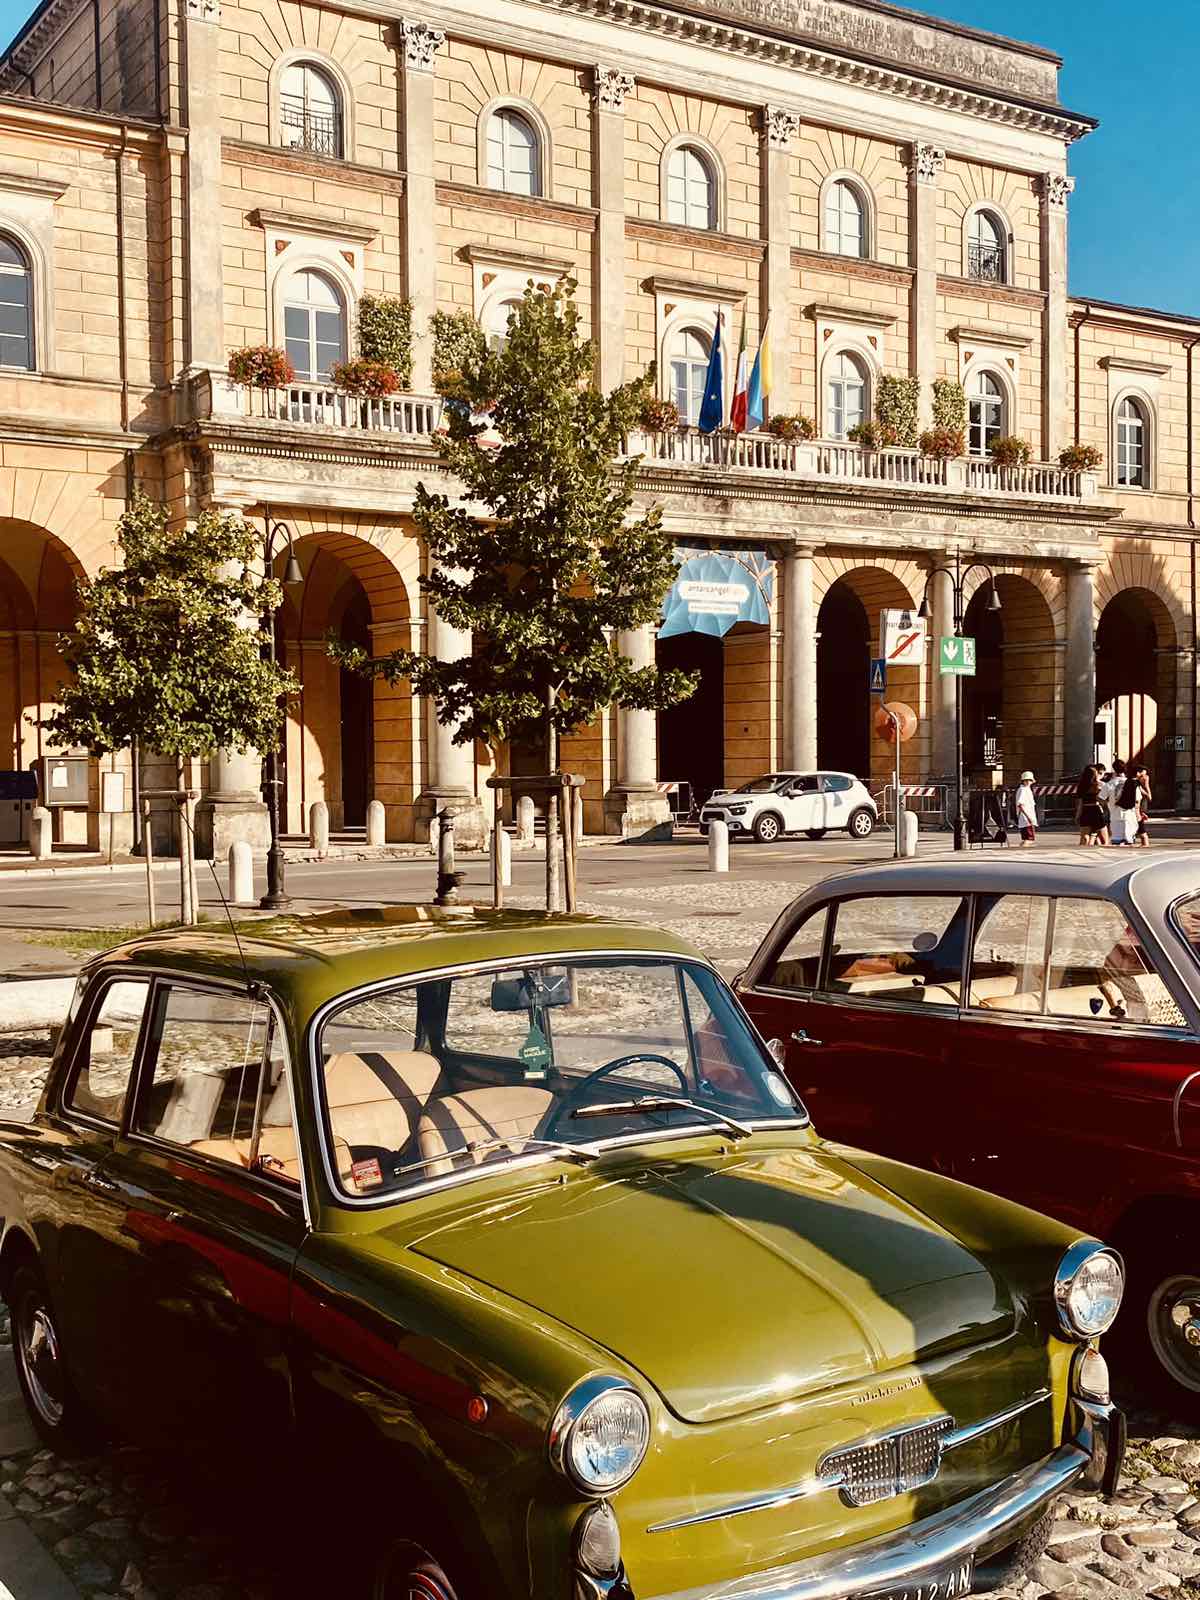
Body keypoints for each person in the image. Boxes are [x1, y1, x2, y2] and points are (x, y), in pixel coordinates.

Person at [1075, 764, 1107, 846]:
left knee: (1085, 837)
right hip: (1096, 810)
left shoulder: (1081, 786)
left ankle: (1083, 849)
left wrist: (1078, 815)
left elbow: (1080, 802)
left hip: (1086, 810)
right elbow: (1103, 800)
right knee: (1103, 839)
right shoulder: (1100, 785)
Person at [1102, 758, 1127, 845]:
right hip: (1129, 816)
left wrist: (1108, 804)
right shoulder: (1132, 783)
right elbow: (1138, 800)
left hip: (1115, 816)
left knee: (1116, 842)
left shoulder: (1109, 784)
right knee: (1128, 842)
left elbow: (1100, 798)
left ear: (1114, 769)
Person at [1014, 769, 1037, 846]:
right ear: (1023, 781)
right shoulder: (1023, 790)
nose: (1028, 782)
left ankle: (1022, 848)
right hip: (1025, 816)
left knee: (1026, 839)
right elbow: (1020, 804)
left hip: (1027, 816)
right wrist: (1028, 816)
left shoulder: (1027, 789)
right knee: (1029, 839)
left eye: (1029, 780)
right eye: (1026, 780)